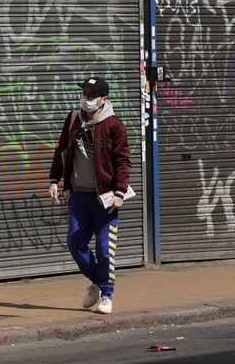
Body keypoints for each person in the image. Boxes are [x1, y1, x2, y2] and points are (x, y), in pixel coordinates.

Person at [49, 75, 132, 315]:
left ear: (103, 99)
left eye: (91, 95)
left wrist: (119, 192)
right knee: (75, 243)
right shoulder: (74, 119)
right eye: (84, 93)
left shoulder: (114, 125)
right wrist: (55, 180)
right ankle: (97, 281)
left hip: (104, 198)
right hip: (78, 196)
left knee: (106, 249)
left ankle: (106, 294)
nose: (86, 98)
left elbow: (123, 161)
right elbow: (61, 149)